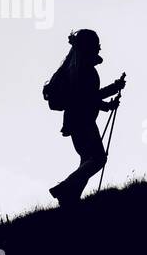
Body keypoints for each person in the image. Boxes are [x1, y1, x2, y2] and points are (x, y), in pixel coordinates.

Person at [48, 29, 125, 208]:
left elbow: (86, 98)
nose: (99, 49)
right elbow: (89, 97)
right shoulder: (83, 70)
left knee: (86, 159)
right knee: (98, 159)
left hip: (75, 121)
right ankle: (64, 188)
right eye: (96, 45)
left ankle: (70, 199)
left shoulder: (73, 68)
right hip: (84, 121)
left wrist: (106, 106)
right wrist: (114, 88)